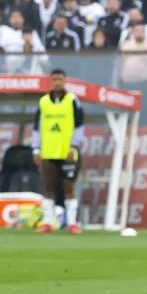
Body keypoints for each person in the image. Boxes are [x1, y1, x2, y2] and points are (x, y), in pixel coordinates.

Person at [32, 69, 85, 234]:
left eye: (60, 79)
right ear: (50, 81)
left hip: (67, 152)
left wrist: (74, 146)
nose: (57, 82)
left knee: (68, 186)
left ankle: (72, 223)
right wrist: (36, 149)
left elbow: (79, 125)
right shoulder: (43, 102)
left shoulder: (72, 100)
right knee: (48, 187)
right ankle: (47, 222)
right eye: (54, 79)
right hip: (48, 152)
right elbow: (37, 127)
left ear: (65, 81)